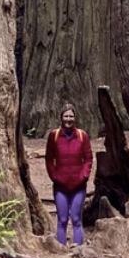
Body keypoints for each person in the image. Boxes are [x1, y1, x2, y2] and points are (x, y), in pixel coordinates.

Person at [45, 104, 93, 246]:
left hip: (78, 185)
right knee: (62, 219)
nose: (68, 119)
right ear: (61, 118)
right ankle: (61, 250)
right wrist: (55, 176)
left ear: (75, 118)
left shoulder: (81, 135)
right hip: (61, 185)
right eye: (66, 116)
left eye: (71, 116)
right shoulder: (54, 136)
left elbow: (88, 158)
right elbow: (49, 159)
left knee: (76, 219)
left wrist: (84, 176)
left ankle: (78, 249)